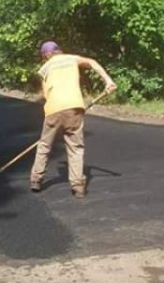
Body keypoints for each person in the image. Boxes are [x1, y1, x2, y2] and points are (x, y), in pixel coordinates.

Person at [30, 41, 117, 198]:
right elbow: (93, 62)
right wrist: (108, 81)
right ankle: (78, 187)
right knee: (75, 147)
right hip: (75, 106)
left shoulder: (44, 69)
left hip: (54, 109)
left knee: (44, 145)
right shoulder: (72, 58)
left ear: (46, 55)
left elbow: (45, 95)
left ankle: (36, 180)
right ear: (58, 51)